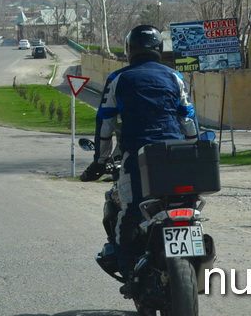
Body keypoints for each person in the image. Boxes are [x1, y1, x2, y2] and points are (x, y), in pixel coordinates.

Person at [80, 24, 198, 297]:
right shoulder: (174, 76)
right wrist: (192, 147)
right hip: (174, 156)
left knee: (130, 215)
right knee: (184, 204)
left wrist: (100, 160)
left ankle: (132, 276)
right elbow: (188, 118)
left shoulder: (119, 78)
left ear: (130, 50)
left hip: (137, 158)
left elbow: (106, 122)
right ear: (159, 49)